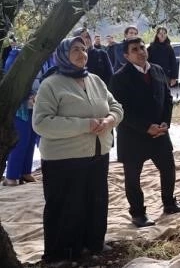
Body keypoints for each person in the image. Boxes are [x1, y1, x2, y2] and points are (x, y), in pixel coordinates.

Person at [32, 37, 123, 264]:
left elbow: (116, 106)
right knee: (65, 206)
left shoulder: (95, 80)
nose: (82, 53)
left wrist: (111, 120)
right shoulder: (51, 84)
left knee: (95, 200)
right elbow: (42, 123)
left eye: (84, 49)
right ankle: (59, 253)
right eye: (75, 50)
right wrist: (85, 124)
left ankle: (92, 244)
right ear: (63, 54)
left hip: (98, 152)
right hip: (64, 158)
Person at [109, 37, 180, 228]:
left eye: (142, 47)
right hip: (133, 137)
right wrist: (146, 127)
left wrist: (165, 123)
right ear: (127, 56)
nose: (141, 51)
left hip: (160, 133)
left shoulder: (158, 70)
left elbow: (167, 99)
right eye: (135, 49)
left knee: (168, 169)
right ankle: (138, 213)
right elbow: (121, 110)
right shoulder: (119, 78)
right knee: (133, 177)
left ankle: (169, 203)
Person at [3, 53, 55, 186]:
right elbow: (12, 79)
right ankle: (12, 176)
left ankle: (25, 172)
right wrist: (28, 96)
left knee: (31, 139)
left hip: (38, 104)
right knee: (21, 140)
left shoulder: (47, 57)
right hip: (21, 106)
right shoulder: (18, 55)